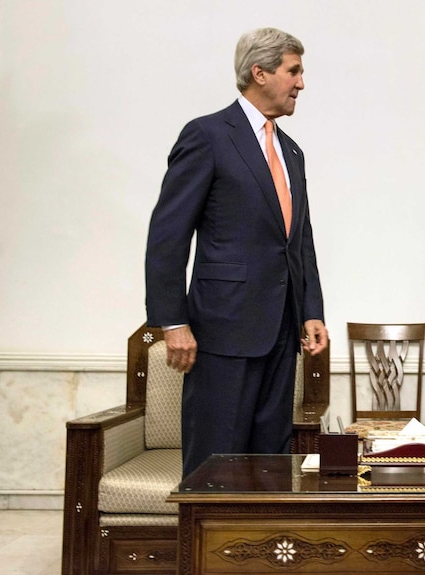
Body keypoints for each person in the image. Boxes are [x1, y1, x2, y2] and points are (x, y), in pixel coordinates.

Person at [145, 27, 327, 479]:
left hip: (282, 331)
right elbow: (167, 236)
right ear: (259, 73)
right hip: (222, 330)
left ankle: (260, 549)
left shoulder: (292, 150)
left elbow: (299, 241)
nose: (301, 83)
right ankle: (202, 551)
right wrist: (173, 321)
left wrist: (311, 311)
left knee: (269, 460)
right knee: (216, 459)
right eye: (294, 71)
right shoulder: (206, 135)